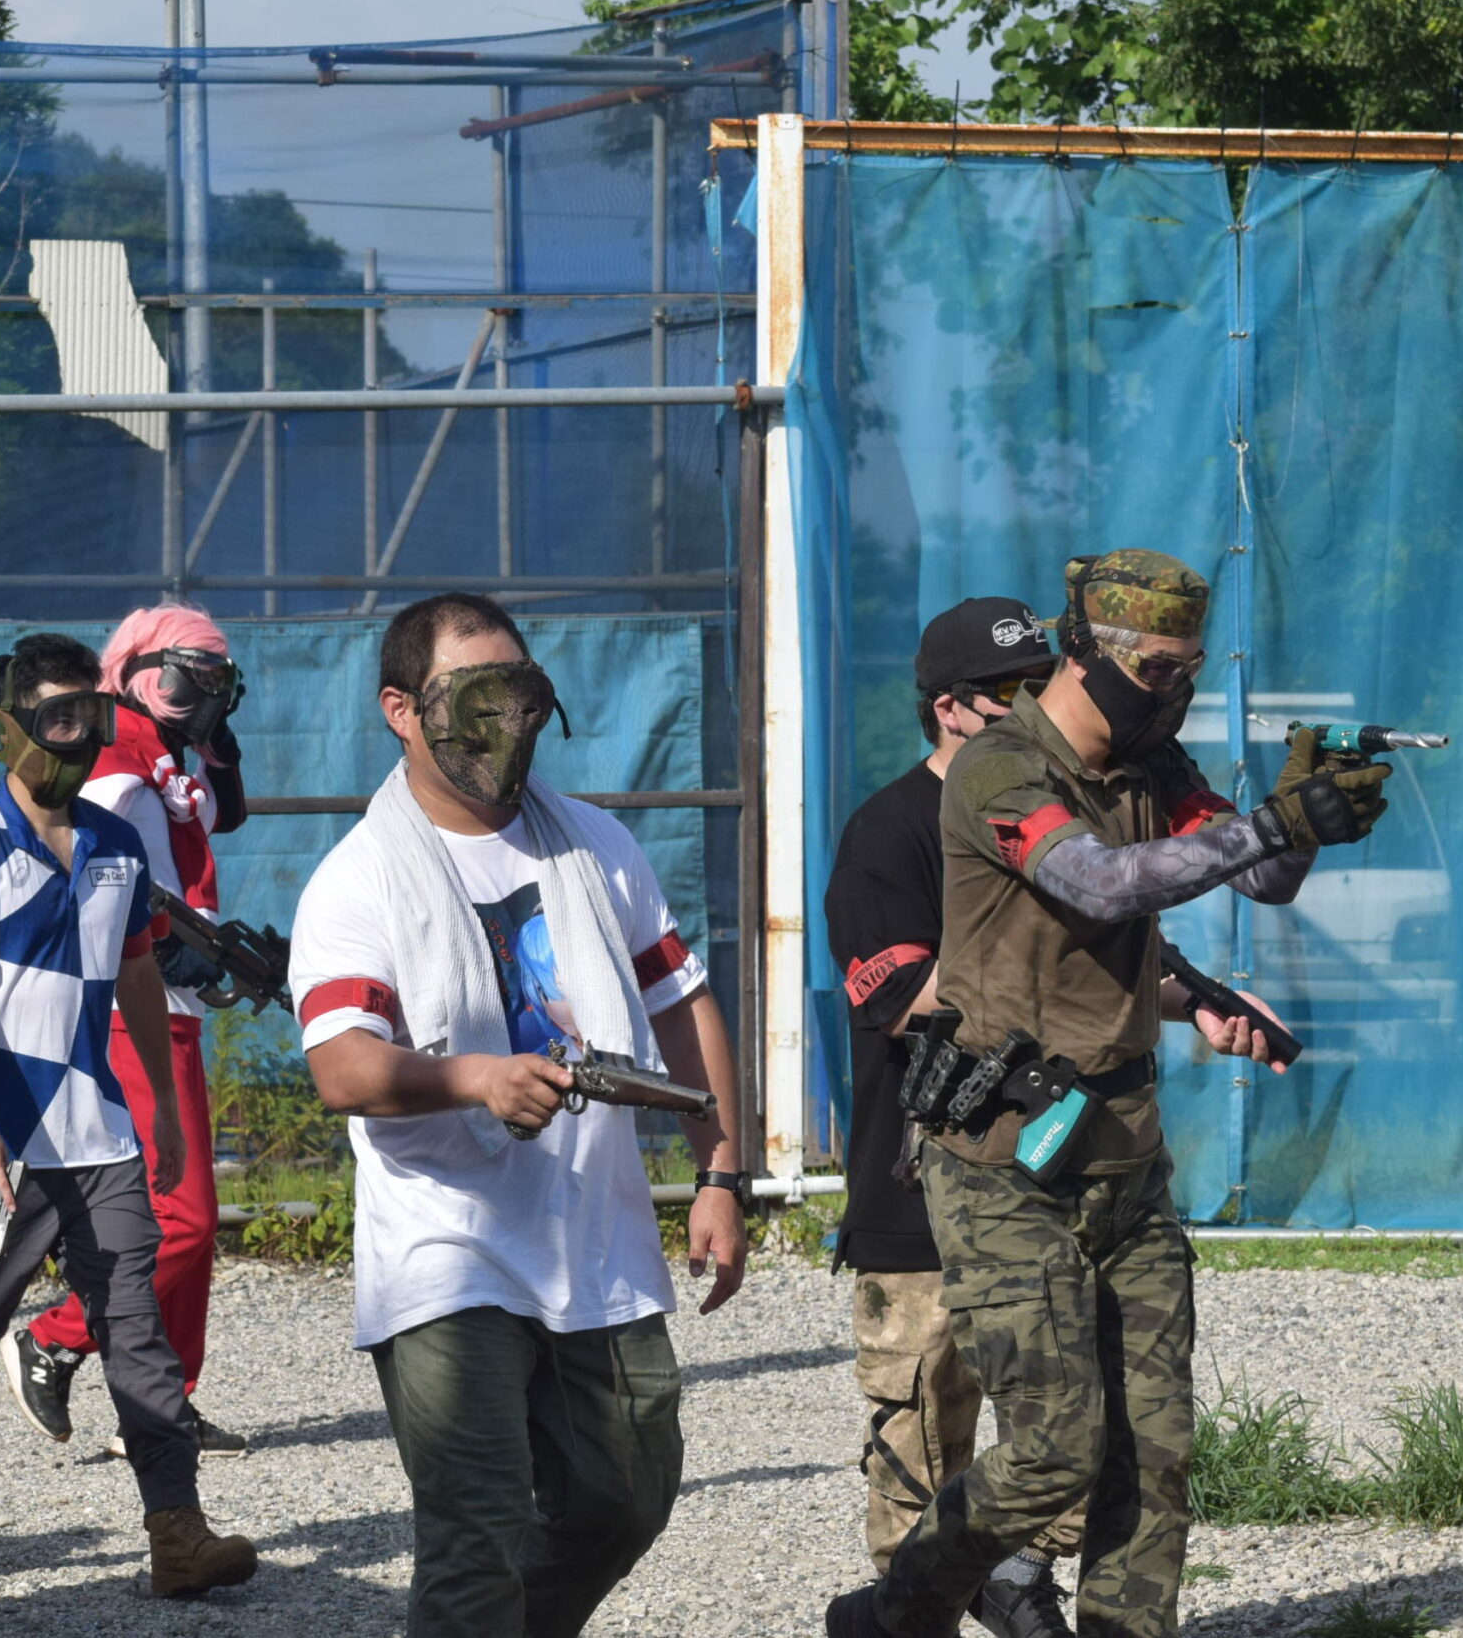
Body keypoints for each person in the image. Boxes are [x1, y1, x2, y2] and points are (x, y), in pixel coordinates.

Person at [829, 551, 1388, 1638]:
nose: (1175, 687)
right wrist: (1274, 825)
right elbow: (1102, 882)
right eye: (1159, 666)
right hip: (1004, 1166)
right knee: (1050, 1453)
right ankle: (899, 1609)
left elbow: (1260, 876)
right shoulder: (999, 767)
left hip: (1125, 1156)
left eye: (1189, 666)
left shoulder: (1151, 761)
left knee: (1153, 1452)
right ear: (1087, 653)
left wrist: (1309, 813)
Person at [288, 593, 749, 1638]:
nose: (506, 720)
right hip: (446, 1249)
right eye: (475, 696)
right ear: (400, 709)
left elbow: (682, 1002)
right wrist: (477, 1080)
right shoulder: (358, 877)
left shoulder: (594, 842)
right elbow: (342, 1066)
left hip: (593, 1233)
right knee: (477, 1528)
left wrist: (720, 1171)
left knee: (625, 1495)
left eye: (522, 692)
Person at [0, 632, 258, 1598]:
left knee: (138, 1333)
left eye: (91, 714)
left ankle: (177, 1530)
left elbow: (139, 972)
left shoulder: (115, 844)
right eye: (58, 717)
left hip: (97, 1132)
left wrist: (164, 1109)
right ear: (4, 731)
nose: (80, 736)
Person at [3, 604, 253, 1457]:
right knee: (180, 1216)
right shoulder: (115, 757)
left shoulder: (161, 755)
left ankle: (164, 1402)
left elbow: (218, 817)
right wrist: (158, 940)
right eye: (192, 680)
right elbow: (85, 863)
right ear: (143, 674)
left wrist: (215, 745)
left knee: (194, 1221)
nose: (205, 698)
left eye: (218, 683)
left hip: (167, 1006)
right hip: (128, 1009)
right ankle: (54, 1336)